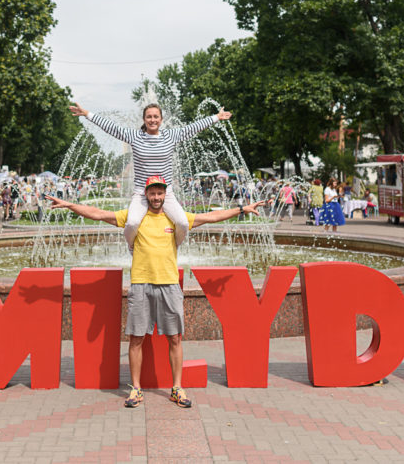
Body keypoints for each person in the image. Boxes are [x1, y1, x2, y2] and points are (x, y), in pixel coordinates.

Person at [47, 175, 269, 409]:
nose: (156, 197)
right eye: (152, 193)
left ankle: (177, 388)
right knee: (136, 338)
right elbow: (99, 213)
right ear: (146, 195)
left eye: (160, 193)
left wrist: (242, 209)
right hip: (141, 284)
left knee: (175, 337)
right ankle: (135, 389)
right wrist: (70, 205)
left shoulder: (176, 219)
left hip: (169, 285)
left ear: (165, 195)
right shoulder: (135, 218)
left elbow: (211, 217)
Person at [69, 102, 231, 250]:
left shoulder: (171, 136)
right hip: (141, 192)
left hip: (165, 192)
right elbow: (112, 127)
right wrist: (87, 114)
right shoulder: (135, 136)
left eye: (156, 117)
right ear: (144, 119)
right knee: (132, 223)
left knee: (182, 223)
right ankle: (133, 248)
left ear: (161, 119)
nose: (152, 120)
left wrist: (216, 117)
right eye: (149, 117)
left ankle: (173, 247)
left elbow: (193, 128)